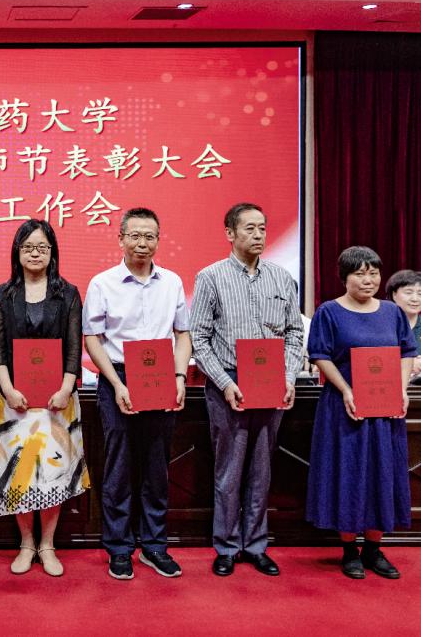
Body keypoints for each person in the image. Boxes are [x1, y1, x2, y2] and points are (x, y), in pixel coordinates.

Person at [191, 202, 304, 577]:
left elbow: (294, 334)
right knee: (229, 471)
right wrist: (225, 384)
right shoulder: (211, 277)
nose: (258, 235)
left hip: (272, 384)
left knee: (261, 470)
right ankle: (226, 546)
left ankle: (256, 545)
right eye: (250, 228)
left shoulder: (282, 277)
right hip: (229, 383)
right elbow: (199, 339)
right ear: (230, 233)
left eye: (262, 228)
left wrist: (288, 377)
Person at [82, 207, 191, 580]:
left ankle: (155, 545)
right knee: (119, 466)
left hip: (161, 376)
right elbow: (93, 338)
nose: (142, 243)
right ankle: (119, 547)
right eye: (135, 235)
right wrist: (116, 384)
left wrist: (179, 376)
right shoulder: (103, 283)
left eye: (149, 236)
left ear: (158, 240)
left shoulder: (171, 282)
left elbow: (183, 333)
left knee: (157, 466)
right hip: (119, 377)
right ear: (121, 239)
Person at [307, 247, 417, 579]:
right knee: (348, 473)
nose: (368, 280)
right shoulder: (329, 312)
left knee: (382, 472)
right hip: (345, 408)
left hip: (385, 411)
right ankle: (349, 551)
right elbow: (319, 354)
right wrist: (346, 390)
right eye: (360, 273)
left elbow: (407, 351)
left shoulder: (392, 312)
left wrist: (401, 389)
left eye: (373, 273)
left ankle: (373, 548)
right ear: (345, 277)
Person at [0, 219, 88, 577]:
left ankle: (47, 544)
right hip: (15, 401)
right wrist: (8, 389)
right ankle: (26, 543)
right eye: (28, 247)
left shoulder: (68, 293)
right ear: (17, 251)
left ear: (52, 252)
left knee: (53, 474)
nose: (34, 253)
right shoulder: (4, 294)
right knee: (20, 473)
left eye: (41, 247)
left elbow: (74, 347)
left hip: (57, 401)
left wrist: (65, 388)